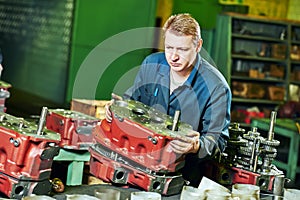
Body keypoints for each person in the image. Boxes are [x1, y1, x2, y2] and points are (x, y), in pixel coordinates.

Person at [105, 13, 231, 187]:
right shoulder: (151, 64)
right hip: (136, 167)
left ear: (198, 46)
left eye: (182, 50)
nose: (173, 56)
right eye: (169, 47)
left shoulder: (216, 87)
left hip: (182, 179)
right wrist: (117, 109)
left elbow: (219, 141)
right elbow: (131, 102)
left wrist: (197, 145)